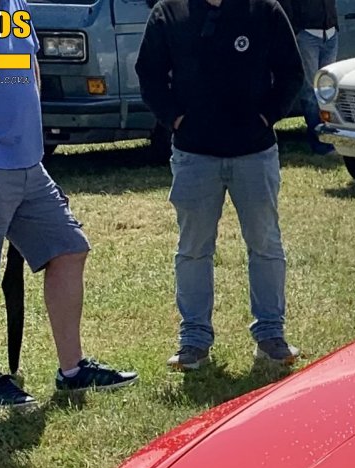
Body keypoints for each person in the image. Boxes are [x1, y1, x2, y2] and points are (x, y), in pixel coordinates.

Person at [0, 0, 136, 409]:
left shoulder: (15, 7)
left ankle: (72, 370)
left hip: (26, 165)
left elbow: (26, 66)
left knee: (69, 249)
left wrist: (31, 140)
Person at [136, 0, 305, 372]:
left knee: (265, 244)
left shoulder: (264, 10)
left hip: (254, 152)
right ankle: (193, 340)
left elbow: (292, 72)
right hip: (194, 155)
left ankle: (271, 335)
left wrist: (267, 116)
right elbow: (149, 75)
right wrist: (175, 119)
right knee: (193, 249)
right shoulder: (170, 12)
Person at [284, 0, 338, 154]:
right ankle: (320, 143)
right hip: (307, 34)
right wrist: (296, 30)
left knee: (328, 90)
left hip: (330, 32)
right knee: (310, 92)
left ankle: (331, 138)